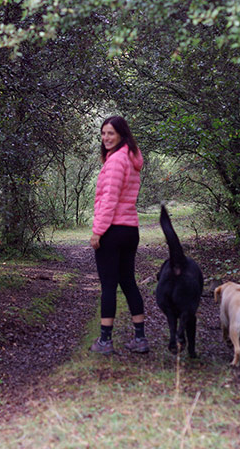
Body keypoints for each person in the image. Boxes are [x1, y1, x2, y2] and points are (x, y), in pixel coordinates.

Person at [90, 115, 149, 354]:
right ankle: (140, 338)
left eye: (110, 133)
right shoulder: (130, 158)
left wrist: (97, 232)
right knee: (128, 281)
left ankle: (105, 341)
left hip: (113, 230)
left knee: (108, 285)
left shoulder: (116, 161)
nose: (105, 138)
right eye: (103, 133)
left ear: (122, 135)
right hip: (130, 230)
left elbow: (109, 201)